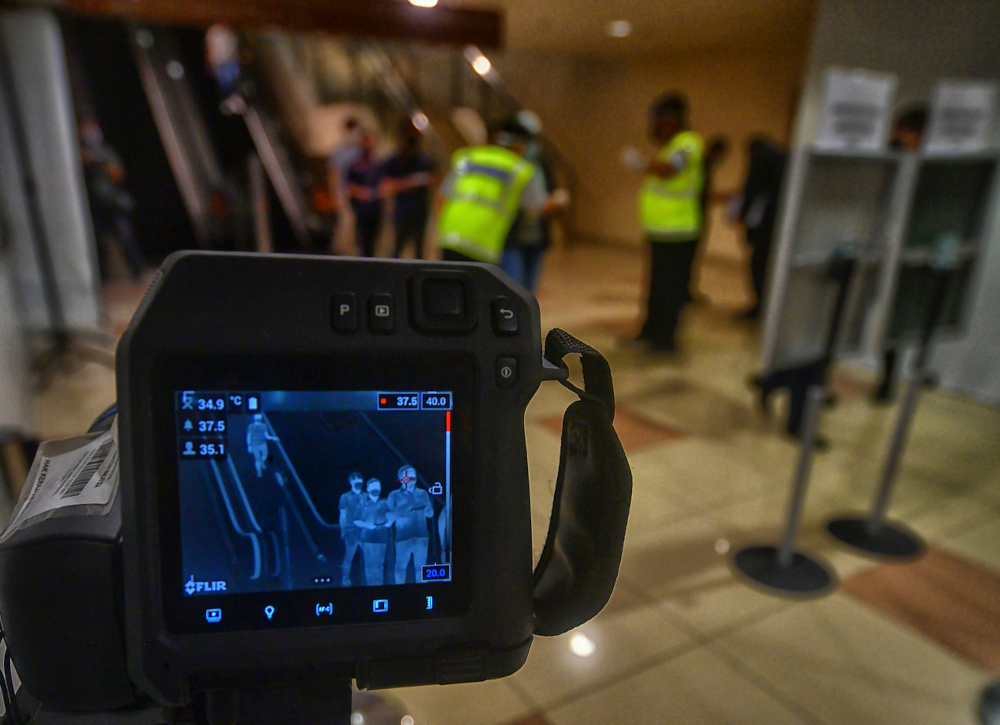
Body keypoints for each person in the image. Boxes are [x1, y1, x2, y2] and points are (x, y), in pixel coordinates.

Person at [636, 93, 705, 352]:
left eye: (660, 120)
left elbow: (669, 170)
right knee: (656, 286)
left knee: (670, 289)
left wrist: (643, 164)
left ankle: (665, 339)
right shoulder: (673, 144)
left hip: (678, 231)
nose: (656, 127)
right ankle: (649, 332)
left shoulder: (688, 143)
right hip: (661, 230)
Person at [873, 105, 928, 403]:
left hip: (913, 252)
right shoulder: (898, 162)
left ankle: (890, 379)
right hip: (889, 248)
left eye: (904, 133)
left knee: (900, 319)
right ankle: (888, 376)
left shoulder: (929, 168)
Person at [436, 118, 547, 264]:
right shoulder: (519, 169)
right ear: (520, 146)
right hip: (483, 246)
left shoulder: (468, 158)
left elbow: (442, 197)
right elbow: (534, 208)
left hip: (450, 237)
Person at [499, 110, 569, 292]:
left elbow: (551, 191)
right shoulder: (507, 165)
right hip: (511, 238)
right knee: (513, 289)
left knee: (529, 292)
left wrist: (557, 202)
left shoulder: (541, 164)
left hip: (536, 237)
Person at [79, 117, 144, 282]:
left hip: (112, 203)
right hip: (93, 205)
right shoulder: (78, 153)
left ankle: (138, 273)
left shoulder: (106, 151)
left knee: (126, 237)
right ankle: (103, 279)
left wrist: (105, 164)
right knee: (99, 243)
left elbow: (119, 175)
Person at [735, 135, 787, 320]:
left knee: (759, 264)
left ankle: (760, 307)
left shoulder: (762, 157)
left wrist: (740, 214)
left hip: (767, 222)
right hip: (782, 221)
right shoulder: (782, 157)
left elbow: (751, 186)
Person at [383, 118, 437, 259]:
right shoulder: (394, 160)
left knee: (420, 251)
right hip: (402, 211)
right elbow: (386, 186)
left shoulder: (425, 159)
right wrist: (410, 182)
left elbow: (434, 181)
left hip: (420, 210)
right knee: (397, 249)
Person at [386, 464, 433, 585]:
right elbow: (388, 515)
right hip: (403, 537)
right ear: (401, 478)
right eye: (409, 474)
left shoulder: (423, 493)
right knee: (400, 567)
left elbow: (430, 514)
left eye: (414, 474)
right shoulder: (394, 495)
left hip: (421, 536)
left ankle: (423, 593)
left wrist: (427, 510)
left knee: (421, 568)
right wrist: (405, 510)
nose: (413, 477)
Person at [346, 131, 384, 257]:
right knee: (362, 241)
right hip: (361, 209)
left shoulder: (379, 165)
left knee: (373, 242)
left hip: (376, 208)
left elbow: (385, 184)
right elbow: (350, 185)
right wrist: (362, 194)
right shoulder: (356, 165)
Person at [327, 117, 362, 251]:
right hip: (344, 194)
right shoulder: (339, 152)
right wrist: (336, 195)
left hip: (359, 194)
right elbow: (333, 174)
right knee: (344, 226)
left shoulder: (361, 150)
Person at [354, 479, 391, 586]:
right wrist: (367, 526)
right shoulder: (361, 503)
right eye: (373, 486)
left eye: (378, 486)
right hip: (367, 539)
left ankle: (379, 588)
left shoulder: (385, 503)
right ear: (368, 489)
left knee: (379, 564)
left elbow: (392, 515)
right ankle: (370, 588)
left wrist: (390, 521)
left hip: (382, 538)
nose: (376, 488)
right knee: (370, 565)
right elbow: (356, 520)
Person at [338, 472, 366, 586]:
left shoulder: (366, 496)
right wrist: (343, 530)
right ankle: (345, 578)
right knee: (349, 557)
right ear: (350, 482)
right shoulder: (345, 497)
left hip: (365, 531)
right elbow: (342, 515)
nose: (358, 481)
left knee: (370, 557)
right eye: (355, 479)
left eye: (360, 478)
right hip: (352, 531)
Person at [245, 413, 278, 478]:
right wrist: (249, 445)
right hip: (256, 444)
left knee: (264, 455)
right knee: (258, 459)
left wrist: (273, 438)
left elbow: (266, 436)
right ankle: (259, 471)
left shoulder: (262, 426)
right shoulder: (252, 426)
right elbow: (248, 436)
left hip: (261, 444)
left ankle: (261, 463)